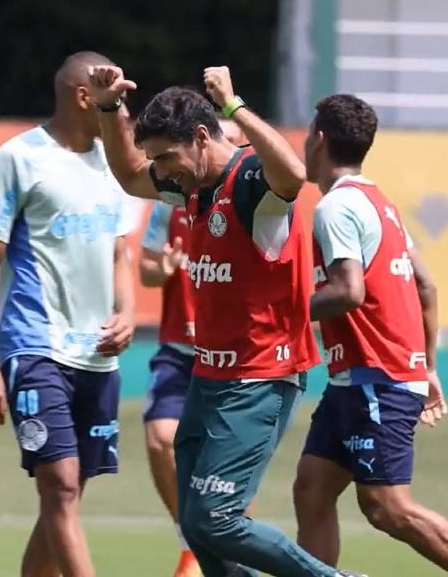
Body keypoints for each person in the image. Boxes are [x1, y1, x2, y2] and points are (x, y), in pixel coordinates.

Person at [88, 63, 367, 577]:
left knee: (215, 518)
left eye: (167, 157)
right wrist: (110, 108)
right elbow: (129, 175)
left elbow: (293, 174)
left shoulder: (250, 181)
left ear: (200, 135)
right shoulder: (191, 187)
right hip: (210, 378)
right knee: (196, 524)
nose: (162, 170)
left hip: (261, 377)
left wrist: (233, 105)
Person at [293, 93, 448, 571]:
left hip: (374, 379)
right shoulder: (378, 202)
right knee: (312, 489)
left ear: (318, 140)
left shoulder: (335, 208)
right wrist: (426, 366)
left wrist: (280, 311)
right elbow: (424, 286)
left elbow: (348, 291)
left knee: (386, 507)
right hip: (357, 381)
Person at [0, 51, 134, 577]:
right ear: (85, 96)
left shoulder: (113, 162)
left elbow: (121, 252)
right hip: (35, 345)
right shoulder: (19, 158)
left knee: (68, 493)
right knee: (59, 485)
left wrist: (125, 312)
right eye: (114, 96)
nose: (123, 108)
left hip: (96, 356)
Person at [140, 118, 247, 577]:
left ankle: (218, 543)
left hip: (234, 354)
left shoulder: (249, 196)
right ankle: (188, 535)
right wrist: (161, 269)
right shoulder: (172, 199)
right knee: (160, 437)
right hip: (181, 350)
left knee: (225, 464)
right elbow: (145, 271)